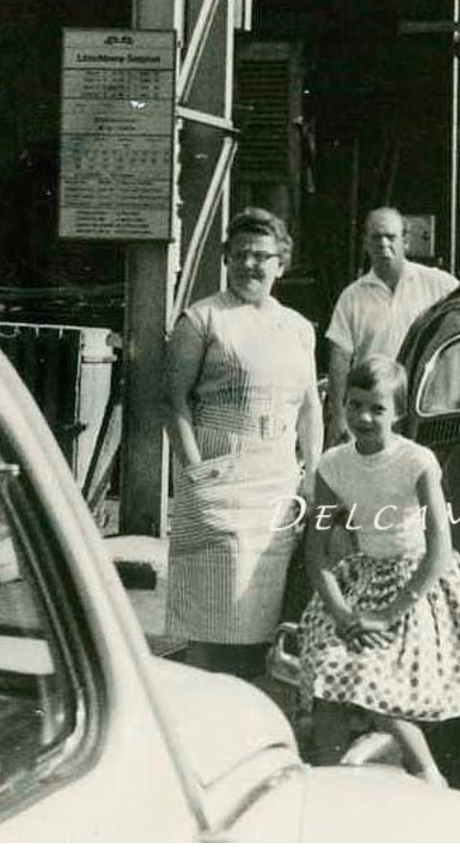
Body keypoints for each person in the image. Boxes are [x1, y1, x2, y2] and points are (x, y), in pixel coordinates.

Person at [298, 355, 460, 781]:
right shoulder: (333, 465)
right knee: (327, 675)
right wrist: (342, 613)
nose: (363, 418)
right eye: (355, 405)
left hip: (414, 584)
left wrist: (388, 614)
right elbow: (316, 550)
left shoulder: (416, 461)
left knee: (371, 679)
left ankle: (427, 773)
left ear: (398, 413)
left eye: (377, 409)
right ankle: (329, 780)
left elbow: (439, 548)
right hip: (361, 581)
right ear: (342, 404)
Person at [165, 207, 323, 678]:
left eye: (261, 256)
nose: (250, 265)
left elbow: (311, 406)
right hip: (220, 484)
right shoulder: (203, 319)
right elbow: (173, 402)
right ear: (226, 259)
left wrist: (311, 476)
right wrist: (196, 477)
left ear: (281, 262)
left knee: (266, 625)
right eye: (240, 255)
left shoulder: (297, 326)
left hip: (277, 486)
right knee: (218, 623)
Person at [324, 207, 458, 440]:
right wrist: (339, 415)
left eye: (391, 237)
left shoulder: (439, 285)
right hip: (374, 413)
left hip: (428, 410)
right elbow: (340, 358)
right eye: (376, 237)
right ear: (366, 243)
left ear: (405, 242)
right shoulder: (353, 296)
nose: (383, 244)